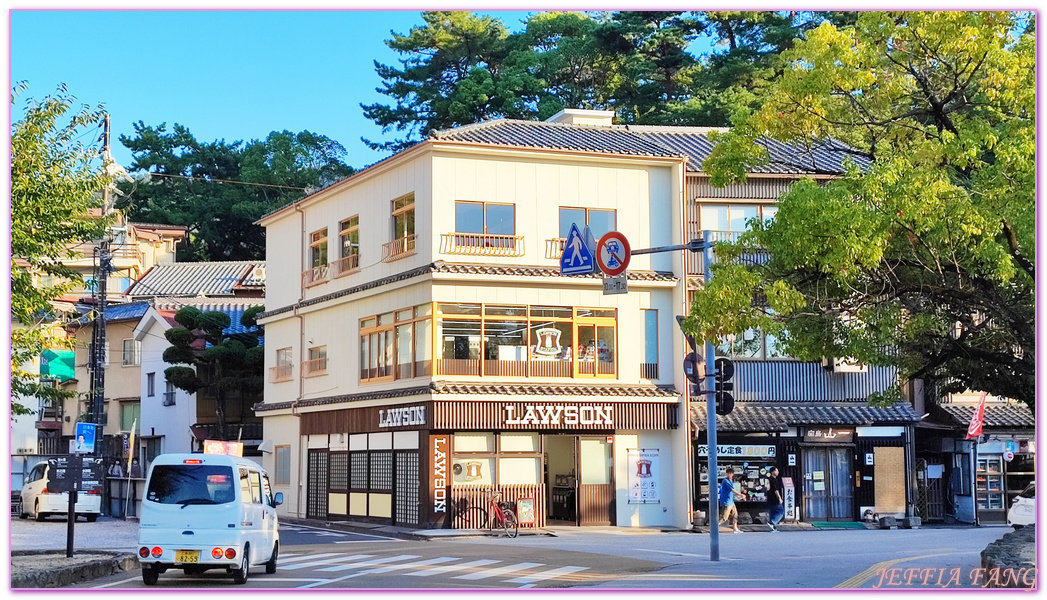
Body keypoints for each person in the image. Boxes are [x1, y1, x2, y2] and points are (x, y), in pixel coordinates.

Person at [718, 467, 745, 533]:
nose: (730, 475)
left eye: (731, 473)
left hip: (731, 501)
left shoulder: (730, 481)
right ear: (726, 474)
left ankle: (735, 528)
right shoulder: (725, 481)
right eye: (728, 473)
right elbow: (732, 490)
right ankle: (715, 527)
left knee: (735, 515)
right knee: (724, 517)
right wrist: (740, 494)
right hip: (726, 501)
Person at [767, 466, 784, 532]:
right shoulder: (773, 479)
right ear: (773, 472)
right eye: (777, 471)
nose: (778, 472)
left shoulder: (768, 479)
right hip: (774, 498)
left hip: (770, 498)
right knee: (781, 511)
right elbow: (775, 490)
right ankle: (772, 522)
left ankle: (773, 527)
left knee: (773, 512)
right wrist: (779, 498)